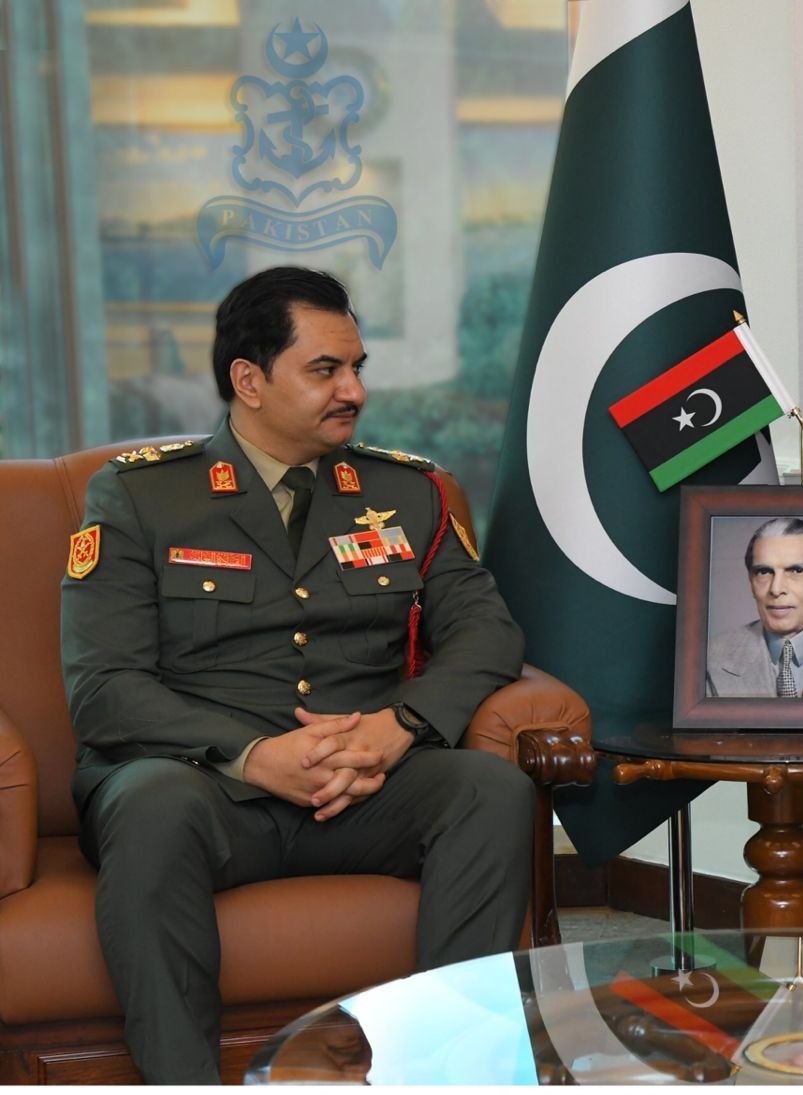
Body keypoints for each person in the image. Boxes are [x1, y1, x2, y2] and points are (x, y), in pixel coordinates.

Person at [59, 266, 534, 1084]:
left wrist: (399, 729)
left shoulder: (407, 493)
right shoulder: (144, 497)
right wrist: (252, 755)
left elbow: (489, 631)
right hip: (206, 787)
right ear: (249, 380)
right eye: (325, 369)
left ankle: (449, 1074)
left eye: (357, 367)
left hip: (362, 785)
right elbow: (104, 687)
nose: (354, 390)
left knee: (491, 790)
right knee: (150, 802)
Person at [704, 517, 803, 698]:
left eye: (797, 571)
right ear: (751, 581)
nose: (776, 589)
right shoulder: (708, 658)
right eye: (764, 572)